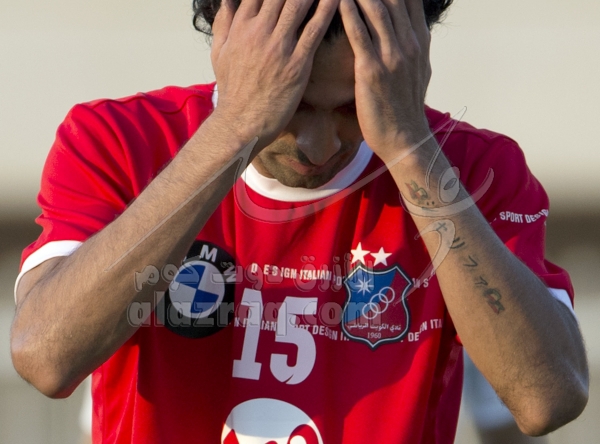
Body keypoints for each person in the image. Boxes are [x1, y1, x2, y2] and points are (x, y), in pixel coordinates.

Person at [10, 0, 588, 442]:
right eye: (292, 105)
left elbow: (548, 399)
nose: (318, 145)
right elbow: (46, 358)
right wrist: (236, 128)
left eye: (352, 108)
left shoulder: (472, 170)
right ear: (227, 43)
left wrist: (408, 142)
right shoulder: (118, 141)